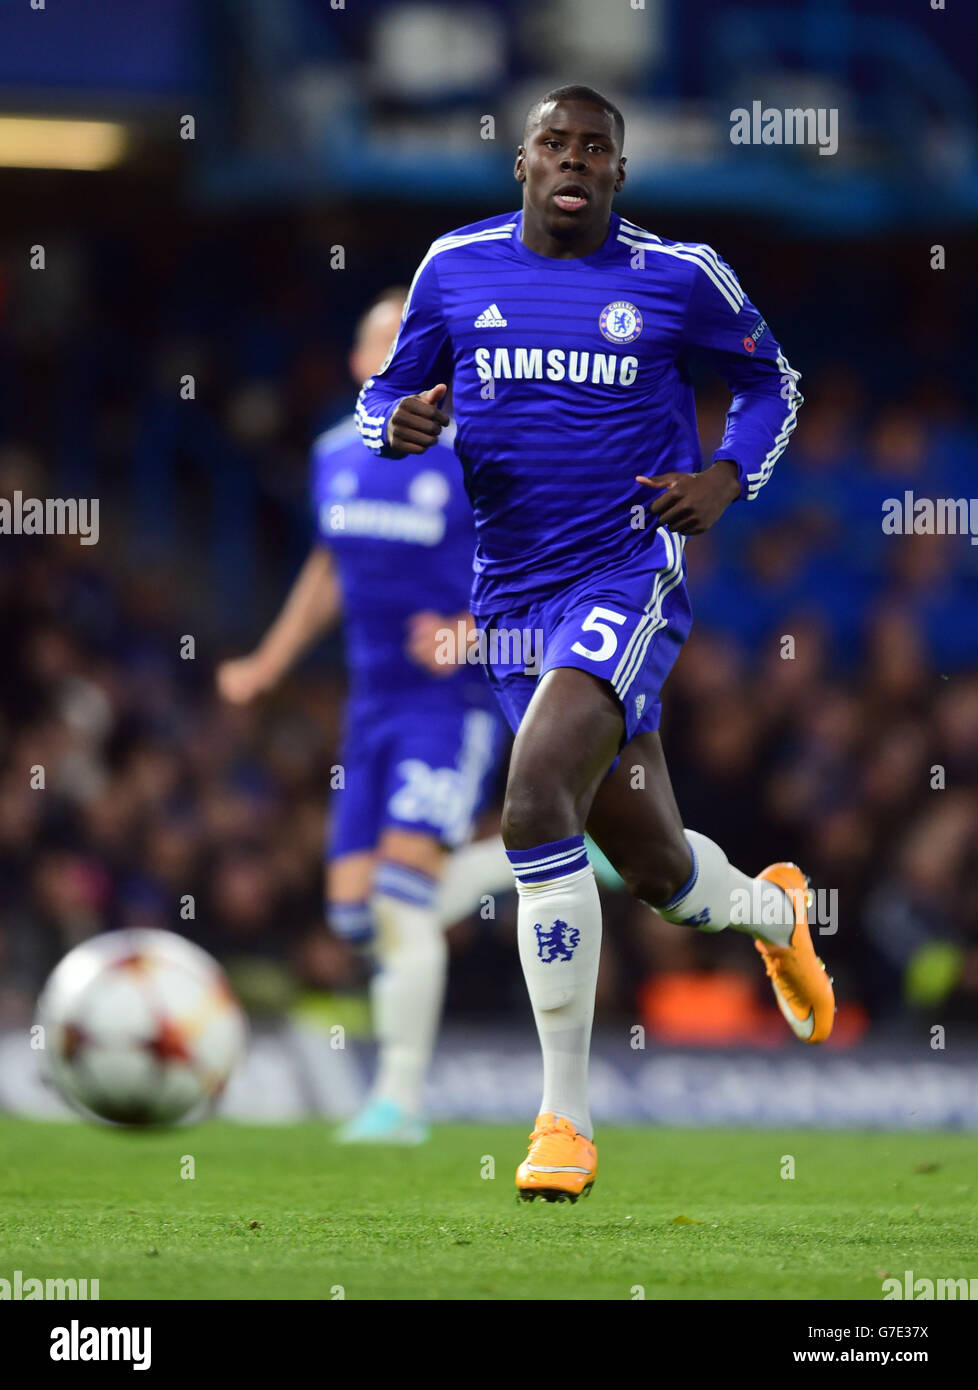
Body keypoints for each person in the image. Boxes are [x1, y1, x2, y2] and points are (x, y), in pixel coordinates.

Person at [356, 86, 833, 1198]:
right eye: (555, 144)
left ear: (619, 174)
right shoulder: (454, 268)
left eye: (597, 149)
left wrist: (726, 475)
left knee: (533, 803)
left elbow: (774, 381)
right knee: (658, 864)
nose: (574, 160)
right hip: (513, 601)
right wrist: (398, 425)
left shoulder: (677, 277)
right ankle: (773, 909)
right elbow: (386, 394)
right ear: (520, 162)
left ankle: (563, 1120)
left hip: (627, 573)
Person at [217, 288, 509, 1144]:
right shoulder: (333, 455)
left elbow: (539, 566)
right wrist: (271, 660)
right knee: (355, 919)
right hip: (371, 707)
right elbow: (328, 565)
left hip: (451, 707)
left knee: (399, 901)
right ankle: (543, 855)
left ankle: (397, 1102)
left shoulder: (472, 459)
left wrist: (472, 630)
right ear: (358, 365)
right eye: (384, 348)